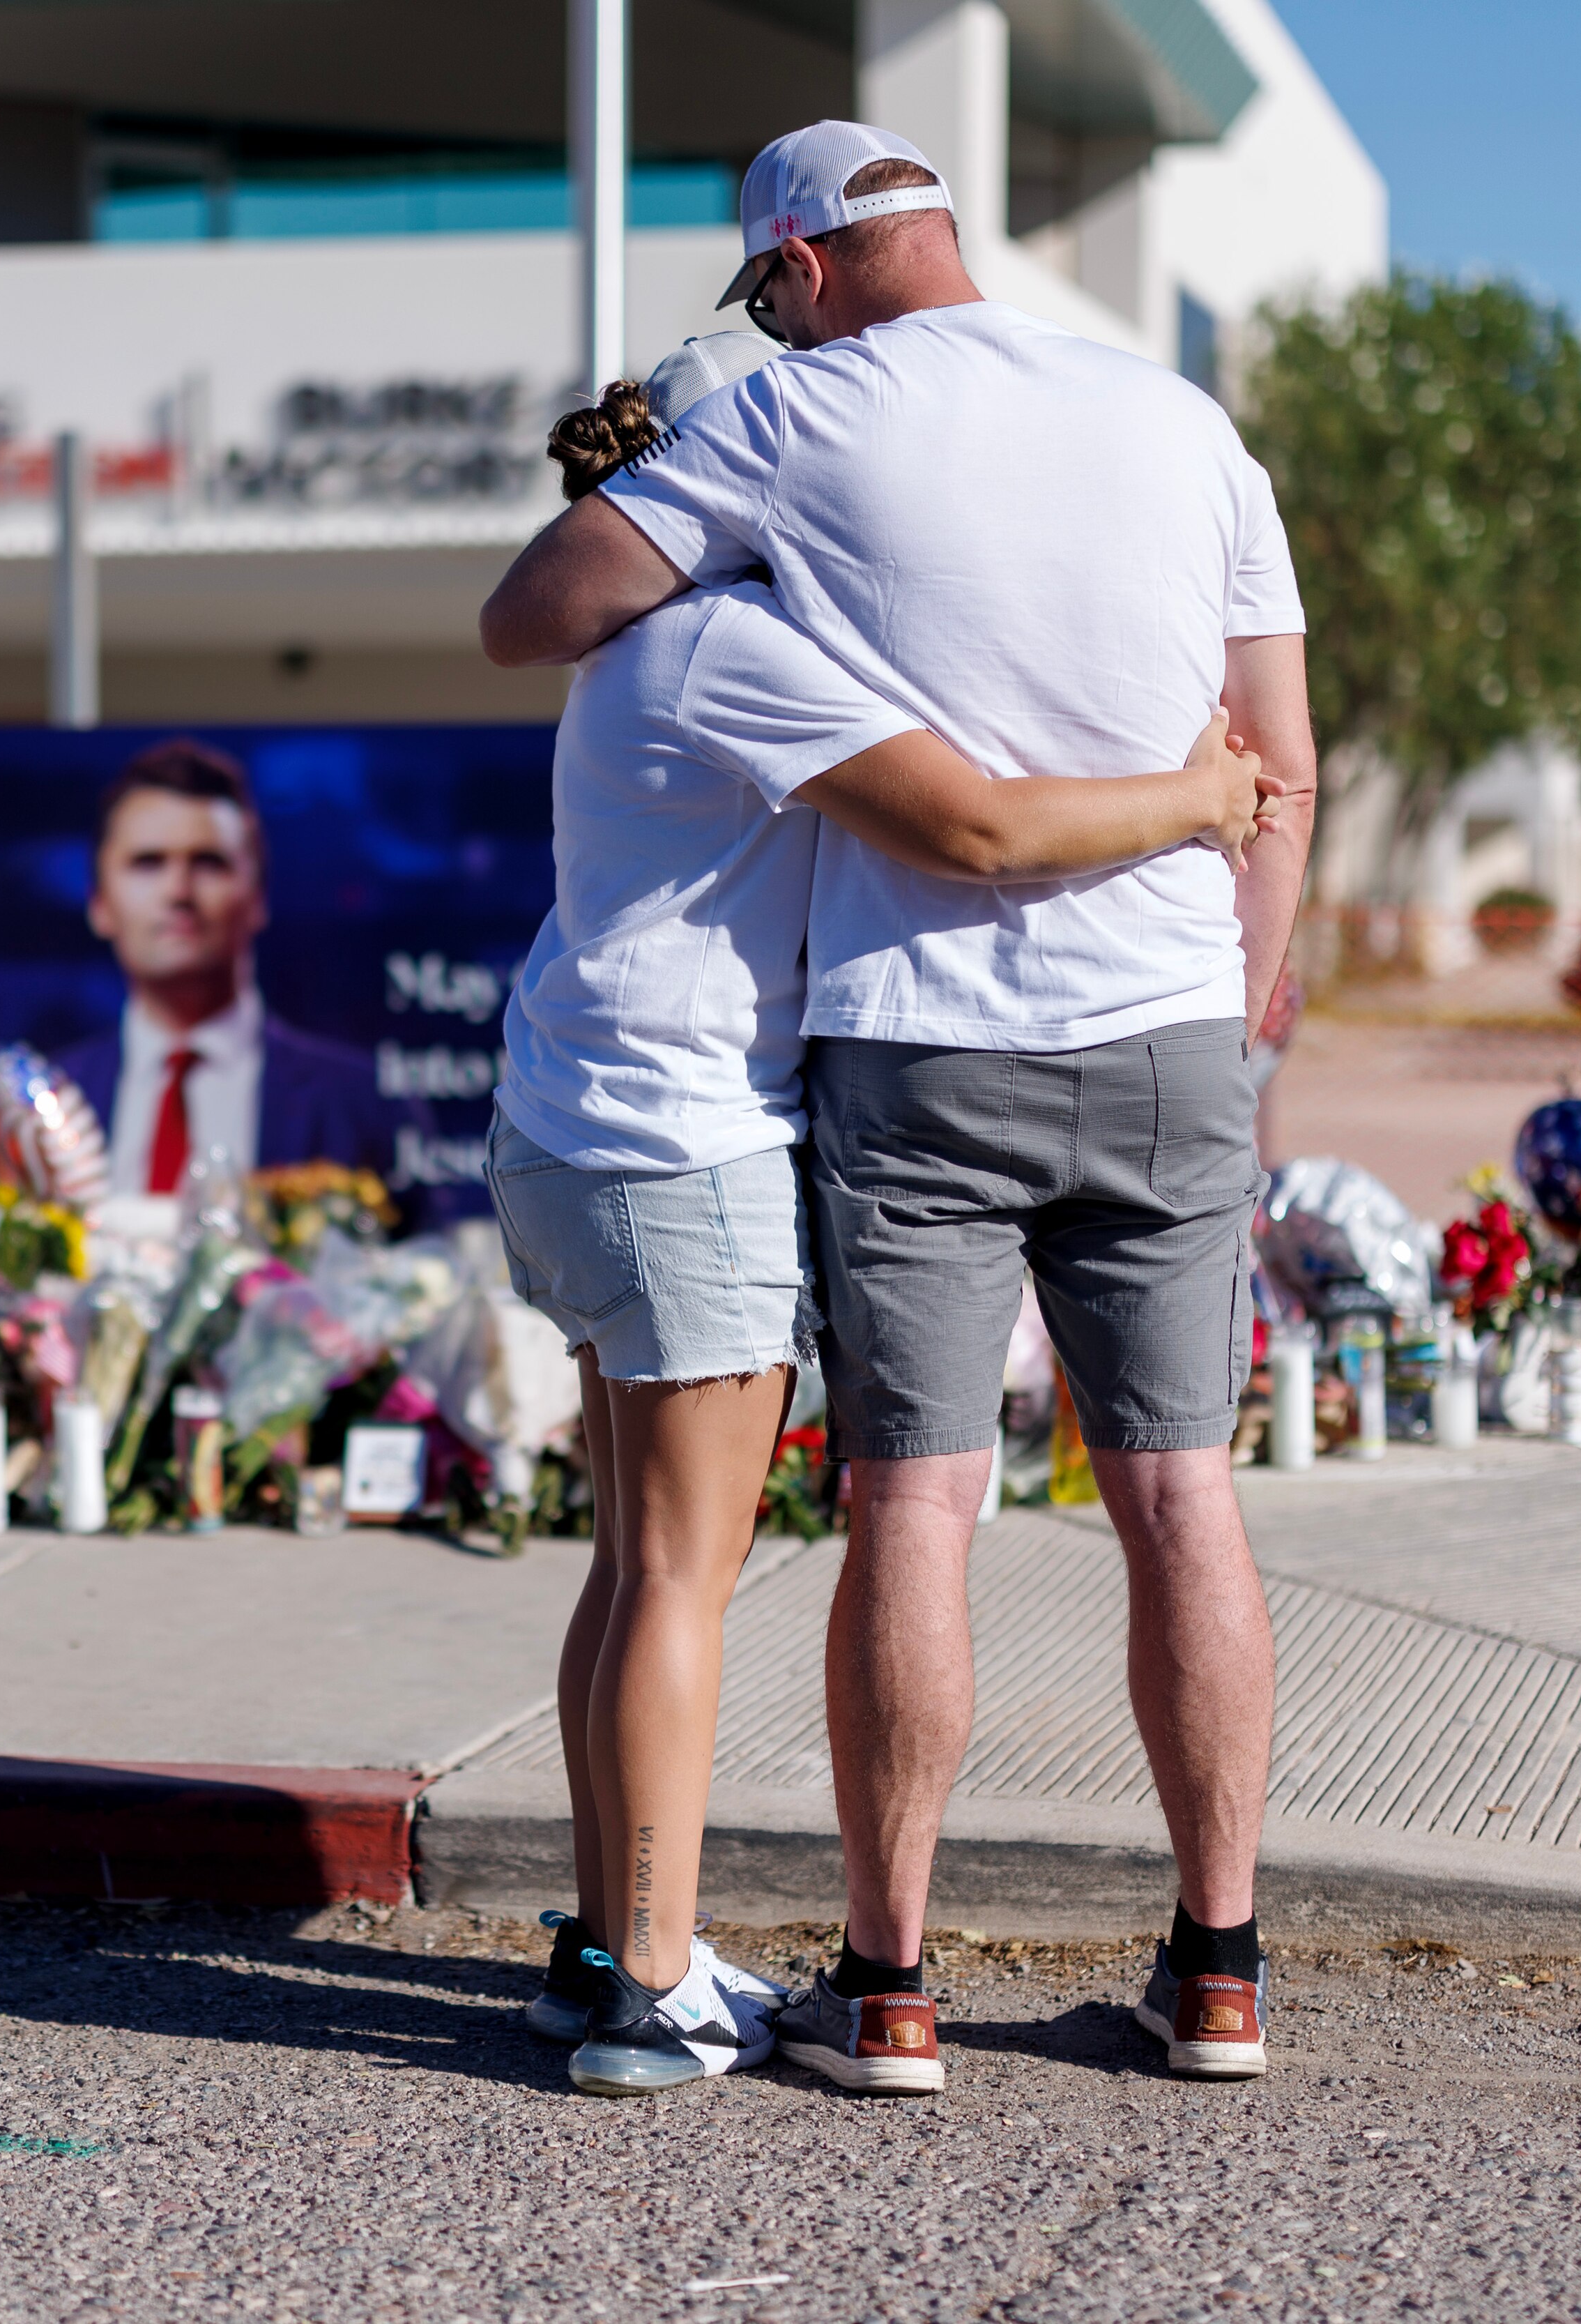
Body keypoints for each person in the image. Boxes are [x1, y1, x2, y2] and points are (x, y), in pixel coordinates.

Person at [482, 120, 1322, 2093]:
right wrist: (1231, 992)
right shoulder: (1185, 420)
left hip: (916, 1038)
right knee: (1187, 1496)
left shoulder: (795, 419)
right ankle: (1218, 1965)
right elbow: (1278, 759)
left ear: (796, 273)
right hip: (1173, 1027)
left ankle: (885, 1984)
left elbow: (537, 611)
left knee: (910, 1503)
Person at [54, 738, 431, 1199]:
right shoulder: (49, 1105)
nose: (179, 892)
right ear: (99, 904)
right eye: (148, 863)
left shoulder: (365, 1102)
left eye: (208, 862)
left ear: (257, 898)